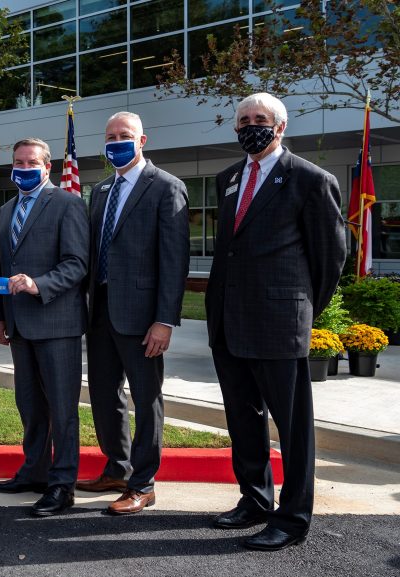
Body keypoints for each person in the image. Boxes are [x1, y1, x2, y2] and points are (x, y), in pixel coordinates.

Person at [206, 93, 346, 551]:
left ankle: (292, 519)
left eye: (259, 120)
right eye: (243, 120)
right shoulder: (228, 178)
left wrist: (300, 308)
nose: (250, 126)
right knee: (243, 419)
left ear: (280, 127)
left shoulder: (309, 179)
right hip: (229, 322)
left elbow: (330, 258)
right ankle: (255, 499)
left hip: (278, 322)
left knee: (292, 427)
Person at [79, 112, 190, 515]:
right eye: (110, 136)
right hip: (101, 312)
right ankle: (117, 468)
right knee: (105, 394)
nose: (116, 141)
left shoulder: (166, 187)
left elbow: (174, 260)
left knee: (146, 398)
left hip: (143, 318)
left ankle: (143, 483)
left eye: (124, 135)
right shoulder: (103, 189)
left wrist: (165, 320)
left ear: (142, 139)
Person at [0, 137, 89, 517]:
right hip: (18, 323)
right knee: (29, 404)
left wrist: (38, 284)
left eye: (31, 162)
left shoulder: (68, 204)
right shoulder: (6, 208)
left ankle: (62, 485)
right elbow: (1, 265)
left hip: (56, 322)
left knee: (62, 409)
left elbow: (77, 264)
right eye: (18, 161)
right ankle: (34, 471)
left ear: (48, 167)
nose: (23, 167)